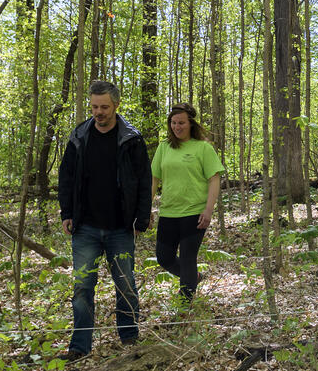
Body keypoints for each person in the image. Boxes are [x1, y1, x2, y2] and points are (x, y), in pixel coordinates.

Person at [55, 80, 152, 360]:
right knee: (83, 287)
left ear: (115, 106)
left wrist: (141, 218)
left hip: (121, 227)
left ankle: (130, 341)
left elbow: (144, 180)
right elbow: (66, 177)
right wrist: (67, 213)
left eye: (104, 107)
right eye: (95, 106)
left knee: (125, 283)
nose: (99, 112)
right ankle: (79, 348)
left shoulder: (131, 139)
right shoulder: (79, 136)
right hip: (85, 226)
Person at [151, 103, 225, 303]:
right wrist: (147, 208)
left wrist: (208, 210)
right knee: (164, 258)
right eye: (173, 123)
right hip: (168, 212)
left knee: (187, 258)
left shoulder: (203, 148)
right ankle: (194, 277)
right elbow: (154, 179)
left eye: (181, 123)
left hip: (194, 212)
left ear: (191, 124)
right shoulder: (164, 147)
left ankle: (185, 305)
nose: (177, 127)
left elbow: (214, 179)